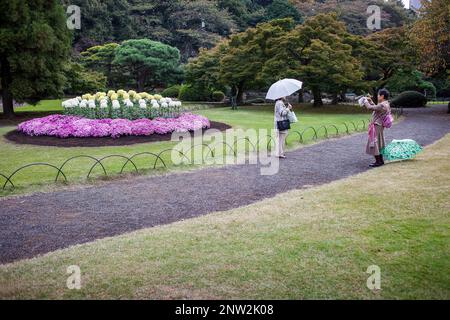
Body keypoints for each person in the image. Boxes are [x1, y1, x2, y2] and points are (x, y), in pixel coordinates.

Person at [364, 88, 391, 167]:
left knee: (374, 142)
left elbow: (370, 108)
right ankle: (380, 161)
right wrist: (370, 101)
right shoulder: (386, 104)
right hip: (380, 125)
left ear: (382, 96)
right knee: (379, 142)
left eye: (379, 95)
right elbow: (376, 108)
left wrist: (364, 100)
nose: (378, 96)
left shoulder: (382, 105)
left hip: (376, 125)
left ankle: (378, 162)